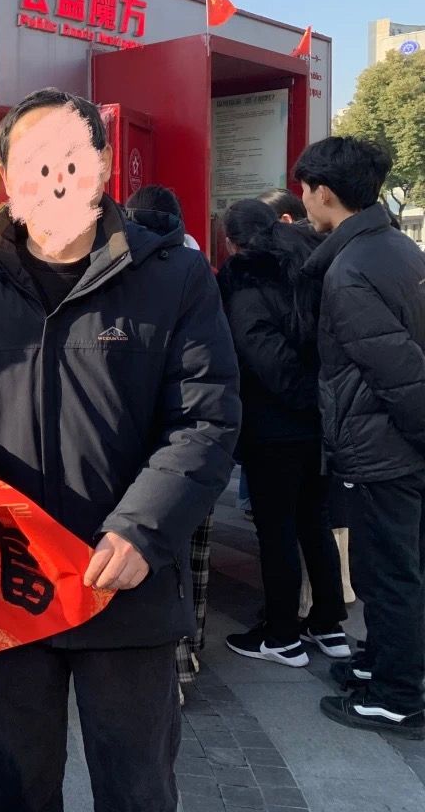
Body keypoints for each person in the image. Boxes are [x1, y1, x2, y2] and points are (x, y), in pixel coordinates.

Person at [0, 88, 240, 811]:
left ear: (102, 165)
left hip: (126, 585)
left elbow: (206, 420)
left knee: (137, 791)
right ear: (5, 175)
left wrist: (142, 528)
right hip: (11, 589)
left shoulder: (173, 277)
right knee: (16, 791)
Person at [293, 137, 425, 739]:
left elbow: (398, 374)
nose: (303, 202)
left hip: (384, 449)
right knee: (393, 569)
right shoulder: (396, 246)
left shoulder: (349, 271)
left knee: (388, 574)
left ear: (323, 192)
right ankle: (382, 664)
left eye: (305, 190)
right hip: (393, 444)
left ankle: (397, 697)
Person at [217, 199, 349, 668]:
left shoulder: (244, 287)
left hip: (275, 428)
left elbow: (269, 362)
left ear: (231, 243)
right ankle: (328, 624)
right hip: (317, 422)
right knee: (314, 522)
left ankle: (281, 635)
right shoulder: (306, 268)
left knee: (278, 530)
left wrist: (300, 399)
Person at [124, 184, 215, 699]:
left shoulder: (129, 271)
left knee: (151, 552)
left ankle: (167, 669)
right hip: (194, 442)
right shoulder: (198, 270)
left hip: (141, 445)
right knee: (191, 553)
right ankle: (189, 653)